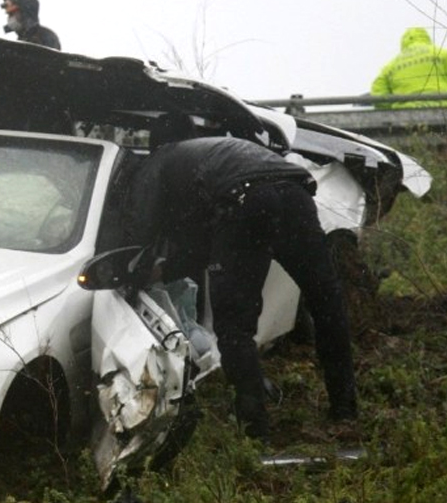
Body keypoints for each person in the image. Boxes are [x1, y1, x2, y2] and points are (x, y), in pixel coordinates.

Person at [124, 120, 357, 441]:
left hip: (245, 203)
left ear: (155, 144)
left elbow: (142, 228)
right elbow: (207, 241)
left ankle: (254, 431)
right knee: (326, 303)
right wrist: (171, 268)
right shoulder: (219, 149)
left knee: (235, 325)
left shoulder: (160, 160)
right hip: (295, 195)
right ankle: (345, 411)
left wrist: (138, 267)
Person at [370, 27, 447, 109]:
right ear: (427, 38)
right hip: (442, 109)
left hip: (405, 113)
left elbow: (378, 93)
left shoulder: (391, 66)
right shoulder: (443, 54)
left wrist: (391, 108)